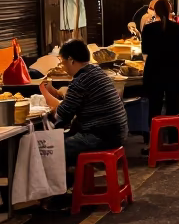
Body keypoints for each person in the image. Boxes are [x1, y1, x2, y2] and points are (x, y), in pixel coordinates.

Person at [38, 40, 128, 169]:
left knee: (48, 149)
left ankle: (59, 187)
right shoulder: (96, 71)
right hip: (117, 134)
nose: (63, 66)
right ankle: (71, 182)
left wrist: (47, 97)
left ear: (71, 60)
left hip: (101, 138)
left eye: (62, 62)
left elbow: (63, 115)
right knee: (60, 140)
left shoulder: (81, 80)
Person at [141, 0, 179, 139]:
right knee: (173, 107)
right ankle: (173, 140)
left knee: (154, 107)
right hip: (173, 71)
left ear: (154, 11)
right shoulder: (177, 28)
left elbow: (145, 50)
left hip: (153, 72)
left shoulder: (148, 28)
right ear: (170, 11)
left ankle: (153, 142)